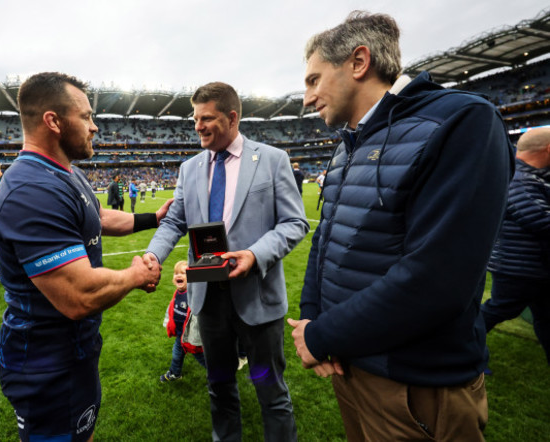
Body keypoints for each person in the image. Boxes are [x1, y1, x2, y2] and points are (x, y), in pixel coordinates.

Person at [288, 11, 514, 441]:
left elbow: (438, 277)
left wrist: (323, 334)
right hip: (348, 364)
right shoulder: (348, 143)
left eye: (313, 80)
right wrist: (311, 318)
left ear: (359, 62)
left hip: (415, 382)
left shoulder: (462, 121)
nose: (306, 97)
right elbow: (325, 239)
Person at [0, 72, 170, 442]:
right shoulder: (32, 190)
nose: (95, 127)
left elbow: (99, 217)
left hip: (72, 350)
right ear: (53, 122)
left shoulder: (65, 174)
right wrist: (136, 274)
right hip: (46, 360)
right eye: (87, 117)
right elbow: (78, 296)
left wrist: (153, 218)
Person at [146, 81, 308, 441]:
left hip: (258, 301)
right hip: (209, 303)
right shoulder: (189, 169)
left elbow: (296, 223)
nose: (198, 126)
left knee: (270, 390)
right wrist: (153, 255)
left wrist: (254, 254)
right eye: (195, 119)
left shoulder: (271, 159)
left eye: (206, 118)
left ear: (232, 118)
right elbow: (174, 220)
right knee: (219, 386)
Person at [481, 127, 550, 365]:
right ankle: (458, 352)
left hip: (530, 266)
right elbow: (539, 219)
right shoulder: (518, 178)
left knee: (543, 315)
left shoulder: (528, 176)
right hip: (517, 267)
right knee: (496, 311)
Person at [160, 260, 206, 383]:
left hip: (193, 336)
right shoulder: (177, 293)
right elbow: (171, 308)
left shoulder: (193, 294)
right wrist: (168, 322)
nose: (178, 275)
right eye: (176, 273)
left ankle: (218, 377)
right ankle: (175, 373)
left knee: (202, 358)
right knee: (177, 354)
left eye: (183, 273)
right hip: (181, 334)